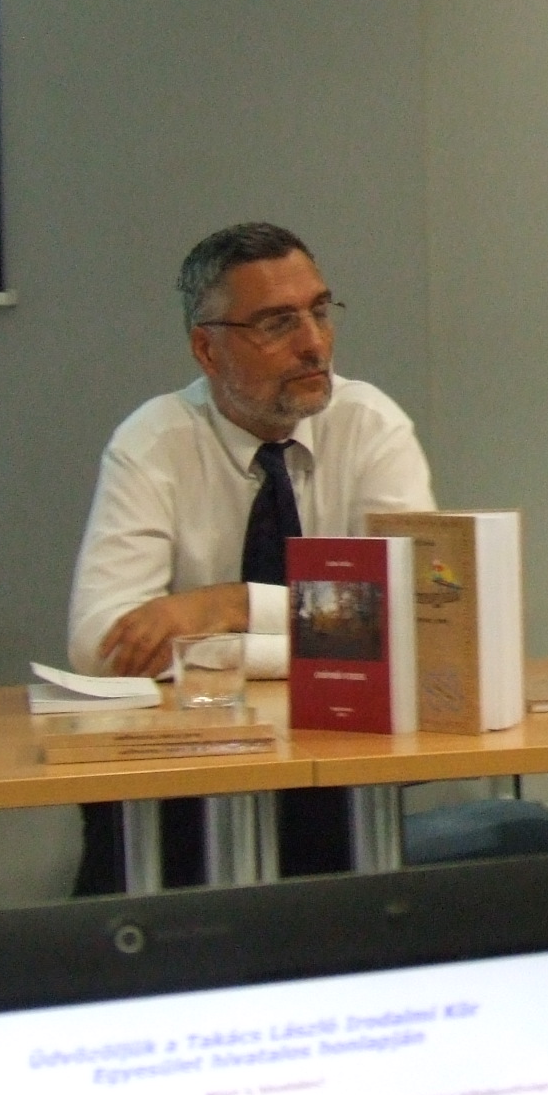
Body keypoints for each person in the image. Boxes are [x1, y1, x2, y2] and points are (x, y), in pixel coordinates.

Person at [69, 222, 434, 886]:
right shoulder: (153, 443)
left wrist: (227, 608)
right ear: (207, 350)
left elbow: (414, 622)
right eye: (277, 323)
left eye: (320, 311)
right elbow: (101, 643)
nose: (313, 343)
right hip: (181, 780)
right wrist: (330, 639)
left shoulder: (372, 426)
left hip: (335, 772)